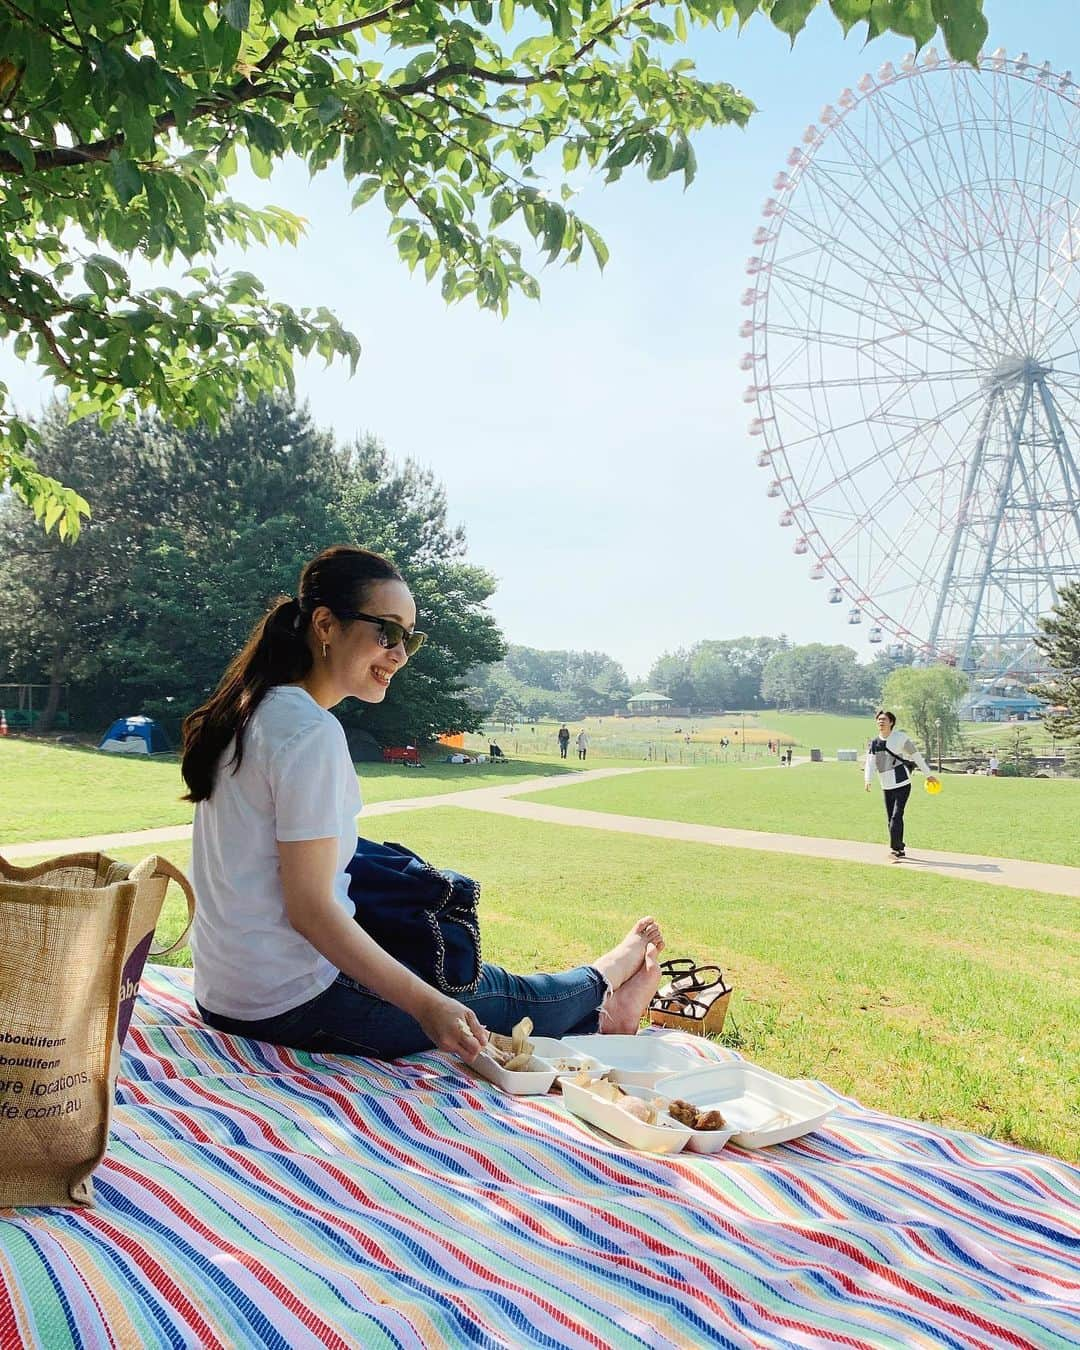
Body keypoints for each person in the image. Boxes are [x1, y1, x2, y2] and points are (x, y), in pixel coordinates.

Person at [181, 545, 663, 1062]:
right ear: (325, 625)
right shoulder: (307, 732)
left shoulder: (254, 711)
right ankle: (607, 993)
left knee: (446, 970)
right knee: (496, 994)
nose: (400, 653)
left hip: (225, 995)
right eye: (386, 632)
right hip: (291, 1002)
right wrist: (427, 1006)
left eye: (409, 637)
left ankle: (600, 992)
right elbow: (311, 911)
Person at [864, 708, 939, 861]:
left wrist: (928, 775)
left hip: (902, 783)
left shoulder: (900, 738)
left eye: (884, 720)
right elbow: (870, 763)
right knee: (890, 818)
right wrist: (868, 780)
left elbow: (916, 756)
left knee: (896, 816)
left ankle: (896, 849)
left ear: (891, 722)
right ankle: (899, 848)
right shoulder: (874, 743)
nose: (881, 722)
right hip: (886, 785)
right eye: (879, 720)